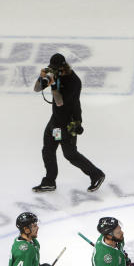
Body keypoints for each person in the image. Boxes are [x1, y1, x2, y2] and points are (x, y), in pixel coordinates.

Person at [31, 53, 106, 193]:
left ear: (63, 66)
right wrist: (42, 77)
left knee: (70, 154)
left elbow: (59, 102)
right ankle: (49, 181)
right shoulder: (54, 73)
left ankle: (96, 174)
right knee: (48, 150)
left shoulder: (73, 81)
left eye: (55, 68)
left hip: (68, 122)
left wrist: (53, 85)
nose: (53, 71)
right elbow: (36, 89)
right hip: (56, 120)